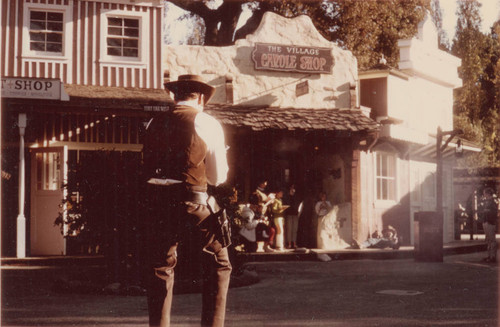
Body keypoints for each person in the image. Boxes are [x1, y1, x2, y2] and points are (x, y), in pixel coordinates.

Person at [142, 74, 231, 327]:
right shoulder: (206, 122)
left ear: (175, 95)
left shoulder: (153, 122)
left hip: (157, 204)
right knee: (219, 264)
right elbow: (217, 177)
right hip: (192, 202)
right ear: (201, 97)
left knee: (161, 267)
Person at [478, 187, 499, 263]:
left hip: (489, 222)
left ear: (488, 193)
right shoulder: (488, 202)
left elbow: (493, 212)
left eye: (485, 193)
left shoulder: (492, 202)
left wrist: (486, 211)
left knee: (491, 239)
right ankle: (490, 255)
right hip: (486, 221)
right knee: (489, 239)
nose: (484, 194)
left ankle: (492, 256)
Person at [283, 184, 300, 249]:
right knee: (289, 229)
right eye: (291, 188)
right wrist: (290, 195)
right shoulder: (287, 196)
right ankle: (289, 243)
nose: (293, 190)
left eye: (294, 188)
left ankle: (294, 243)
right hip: (289, 214)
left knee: (295, 229)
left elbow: (298, 204)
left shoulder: (296, 196)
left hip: (295, 214)